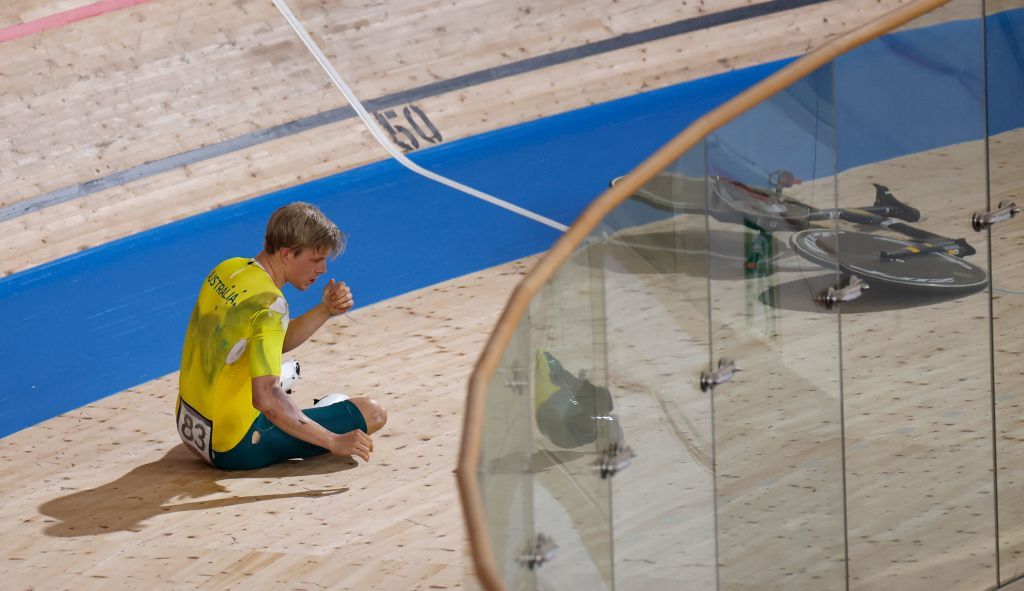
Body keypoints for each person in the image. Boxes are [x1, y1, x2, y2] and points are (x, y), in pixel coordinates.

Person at [176, 202, 387, 470]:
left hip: (190, 430)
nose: (322, 270)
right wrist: (333, 441)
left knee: (263, 370)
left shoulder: (227, 269)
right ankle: (321, 406)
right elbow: (265, 399)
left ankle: (284, 385)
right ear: (287, 254)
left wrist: (325, 310)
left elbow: (271, 341)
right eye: (315, 259)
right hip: (233, 447)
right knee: (373, 412)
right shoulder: (271, 306)